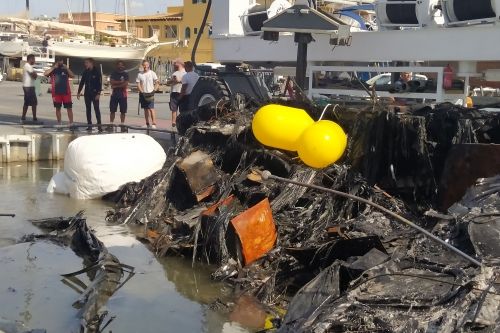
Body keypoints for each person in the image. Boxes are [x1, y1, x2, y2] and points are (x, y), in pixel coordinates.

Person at [44, 57, 75, 128]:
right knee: (58, 108)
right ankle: (59, 122)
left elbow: (72, 76)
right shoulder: (53, 70)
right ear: (56, 62)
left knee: (69, 108)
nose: (60, 63)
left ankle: (71, 123)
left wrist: (67, 68)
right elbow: (45, 74)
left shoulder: (65, 69)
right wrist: (53, 67)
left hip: (66, 92)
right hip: (56, 93)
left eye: (61, 61)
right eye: (59, 61)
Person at [77, 58, 102, 132]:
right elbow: (82, 82)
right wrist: (79, 92)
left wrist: (98, 93)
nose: (85, 64)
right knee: (88, 109)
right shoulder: (86, 71)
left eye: (87, 63)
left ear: (91, 63)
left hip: (95, 93)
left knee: (96, 109)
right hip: (87, 93)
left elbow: (99, 83)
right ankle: (89, 125)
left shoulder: (97, 71)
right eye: (85, 63)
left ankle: (99, 125)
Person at [136, 60, 159, 128]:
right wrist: (141, 91)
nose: (145, 66)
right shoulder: (140, 74)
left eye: (146, 65)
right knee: (145, 109)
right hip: (143, 94)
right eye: (144, 65)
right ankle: (147, 123)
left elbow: (157, 82)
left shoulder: (152, 73)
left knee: (151, 108)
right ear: (142, 66)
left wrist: (154, 90)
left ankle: (154, 123)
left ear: (149, 65)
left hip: (150, 93)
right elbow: (138, 84)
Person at [109, 60, 129, 132]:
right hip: (114, 94)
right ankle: (111, 124)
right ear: (117, 65)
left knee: (123, 111)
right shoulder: (114, 73)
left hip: (123, 95)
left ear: (124, 66)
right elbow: (111, 81)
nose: (120, 66)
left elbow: (125, 84)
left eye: (122, 65)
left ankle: (122, 124)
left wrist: (115, 86)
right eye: (119, 65)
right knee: (112, 110)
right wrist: (120, 82)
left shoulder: (125, 74)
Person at [166, 59, 185, 128]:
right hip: (174, 92)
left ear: (178, 64)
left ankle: (182, 124)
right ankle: (173, 124)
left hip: (181, 92)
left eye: (174, 63)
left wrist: (178, 81)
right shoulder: (174, 73)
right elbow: (168, 82)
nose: (173, 65)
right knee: (174, 109)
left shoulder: (185, 73)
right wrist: (172, 80)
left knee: (182, 110)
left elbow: (186, 83)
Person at [21, 54, 38, 124]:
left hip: (29, 86)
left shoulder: (29, 66)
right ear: (30, 59)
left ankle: (28, 117)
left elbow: (34, 75)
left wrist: (35, 74)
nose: (34, 61)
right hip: (28, 87)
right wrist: (35, 74)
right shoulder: (28, 66)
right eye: (33, 59)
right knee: (31, 102)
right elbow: (34, 76)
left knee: (30, 102)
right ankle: (30, 117)